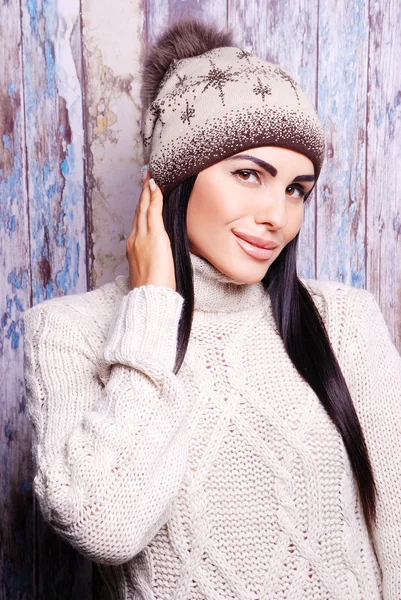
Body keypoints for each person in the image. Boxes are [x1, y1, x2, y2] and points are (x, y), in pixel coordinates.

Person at [22, 17, 401, 600]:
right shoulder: (70, 332)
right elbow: (106, 524)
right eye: (250, 174)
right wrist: (152, 308)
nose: (279, 214)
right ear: (173, 181)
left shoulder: (345, 320)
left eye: (297, 189)